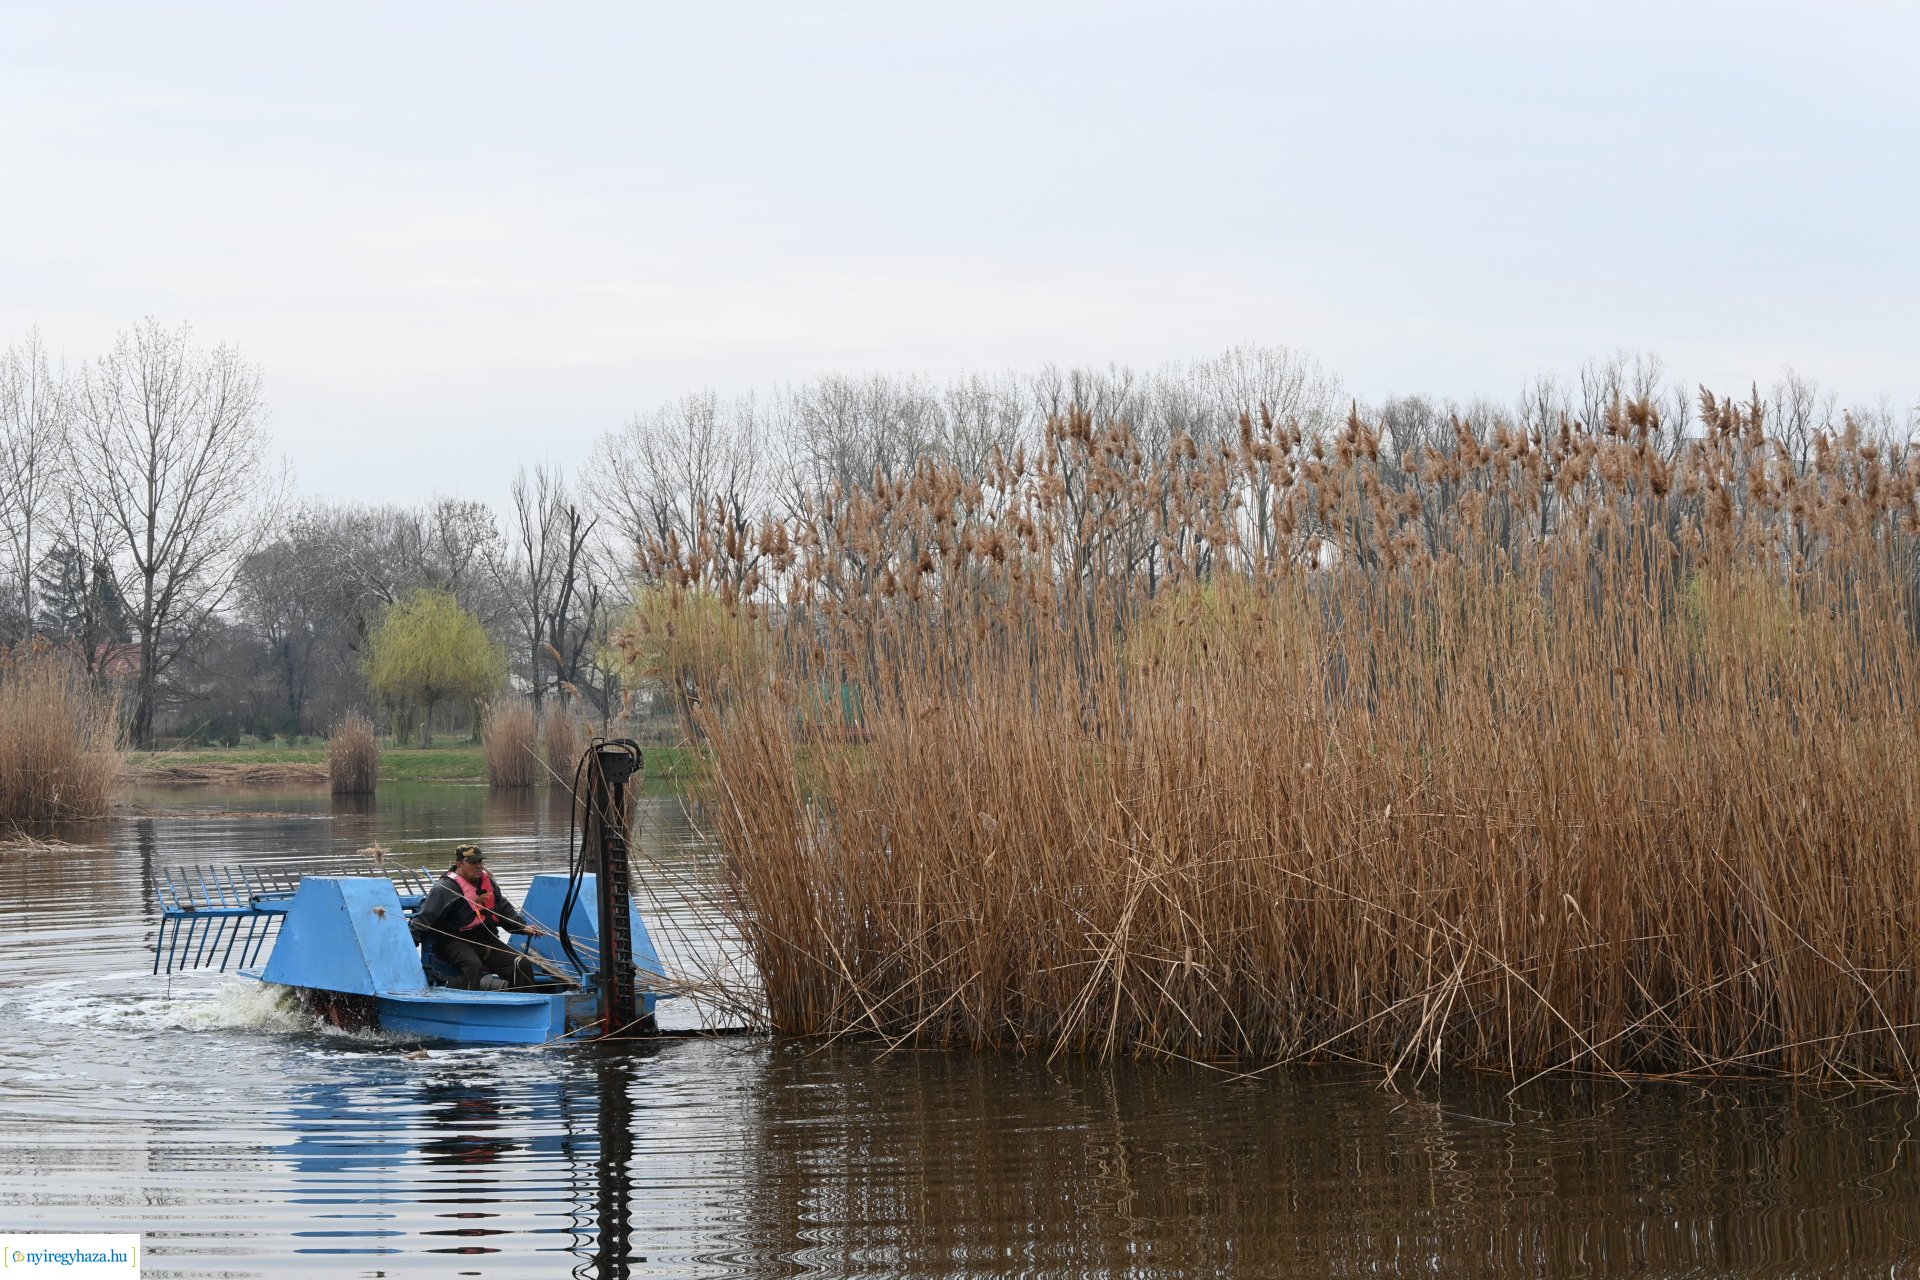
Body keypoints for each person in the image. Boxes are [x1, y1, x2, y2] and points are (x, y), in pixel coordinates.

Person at [409, 843, 537, 991]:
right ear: (459, 864)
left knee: (520, 963)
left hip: (485, 939)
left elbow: (502, 908)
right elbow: (424, 919)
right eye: (473, 862)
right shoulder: (445, 888)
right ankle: (468, 1005)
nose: (479, 866)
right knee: (472, 964)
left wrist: (522, 927)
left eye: (480, 861)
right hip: (454, 940)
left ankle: (526, 1005)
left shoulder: (487, 881)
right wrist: (408, 945)